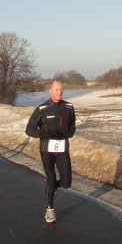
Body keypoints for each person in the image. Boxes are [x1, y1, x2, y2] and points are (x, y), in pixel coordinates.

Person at [25, 80, 76, 223]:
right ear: (50, 91)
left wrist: (65, 133)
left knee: (66, 183)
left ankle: (52, 187)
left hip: (62, 149)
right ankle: (50, 209)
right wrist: (45, 134)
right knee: (51, 178)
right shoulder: (42, 109)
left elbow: (72, 129)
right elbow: (29, 129)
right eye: (56, 89)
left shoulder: (69, 107)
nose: (59, 92)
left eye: (61, 89)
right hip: (46, 150)